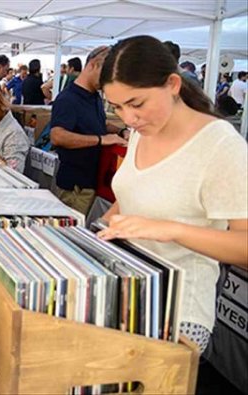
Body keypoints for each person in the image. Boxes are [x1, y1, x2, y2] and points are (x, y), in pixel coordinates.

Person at [97, 35, 248, 354]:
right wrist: (93, 235)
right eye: (118, 107)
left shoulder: (221, 146)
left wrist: (171, 230)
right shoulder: (143, 130)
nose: (128, 118)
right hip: (122, 295)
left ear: (173, 84)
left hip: (176, 313)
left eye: (136, 104)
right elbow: (131, 198)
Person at [49, 46, 127, 215]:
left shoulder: (94, 97)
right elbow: (57, 136)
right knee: (71, 233)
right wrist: (100, 139)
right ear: (93, 65)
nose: (108, 81)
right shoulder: (68, 99)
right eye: (106, 75)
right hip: (75, 187)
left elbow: (98, 124)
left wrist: (121, 132)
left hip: (91, 182)